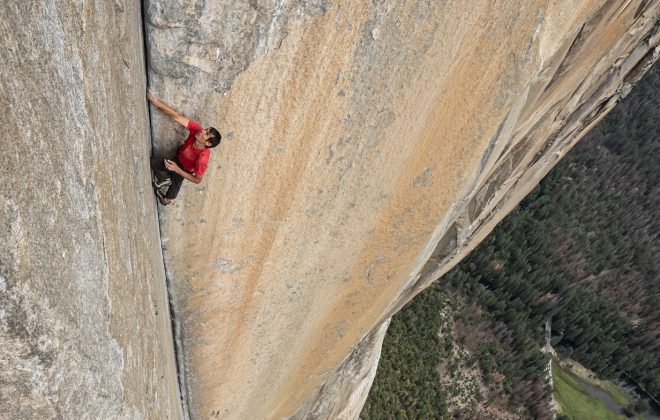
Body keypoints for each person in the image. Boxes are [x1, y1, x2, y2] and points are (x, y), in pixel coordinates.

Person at [147, 90, 221, 205]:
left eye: (206, 134)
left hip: (184, 170)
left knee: (168, 198)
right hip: (177, 158)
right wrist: (156, 102)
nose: (202, 130)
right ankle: (167, 180)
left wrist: (177, 169)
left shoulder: (202, 159)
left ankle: (169, 187)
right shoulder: (197, 130)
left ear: (208, 144)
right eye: (206, 129)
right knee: (153, 161)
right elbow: (176, 116)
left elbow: (197, 180)